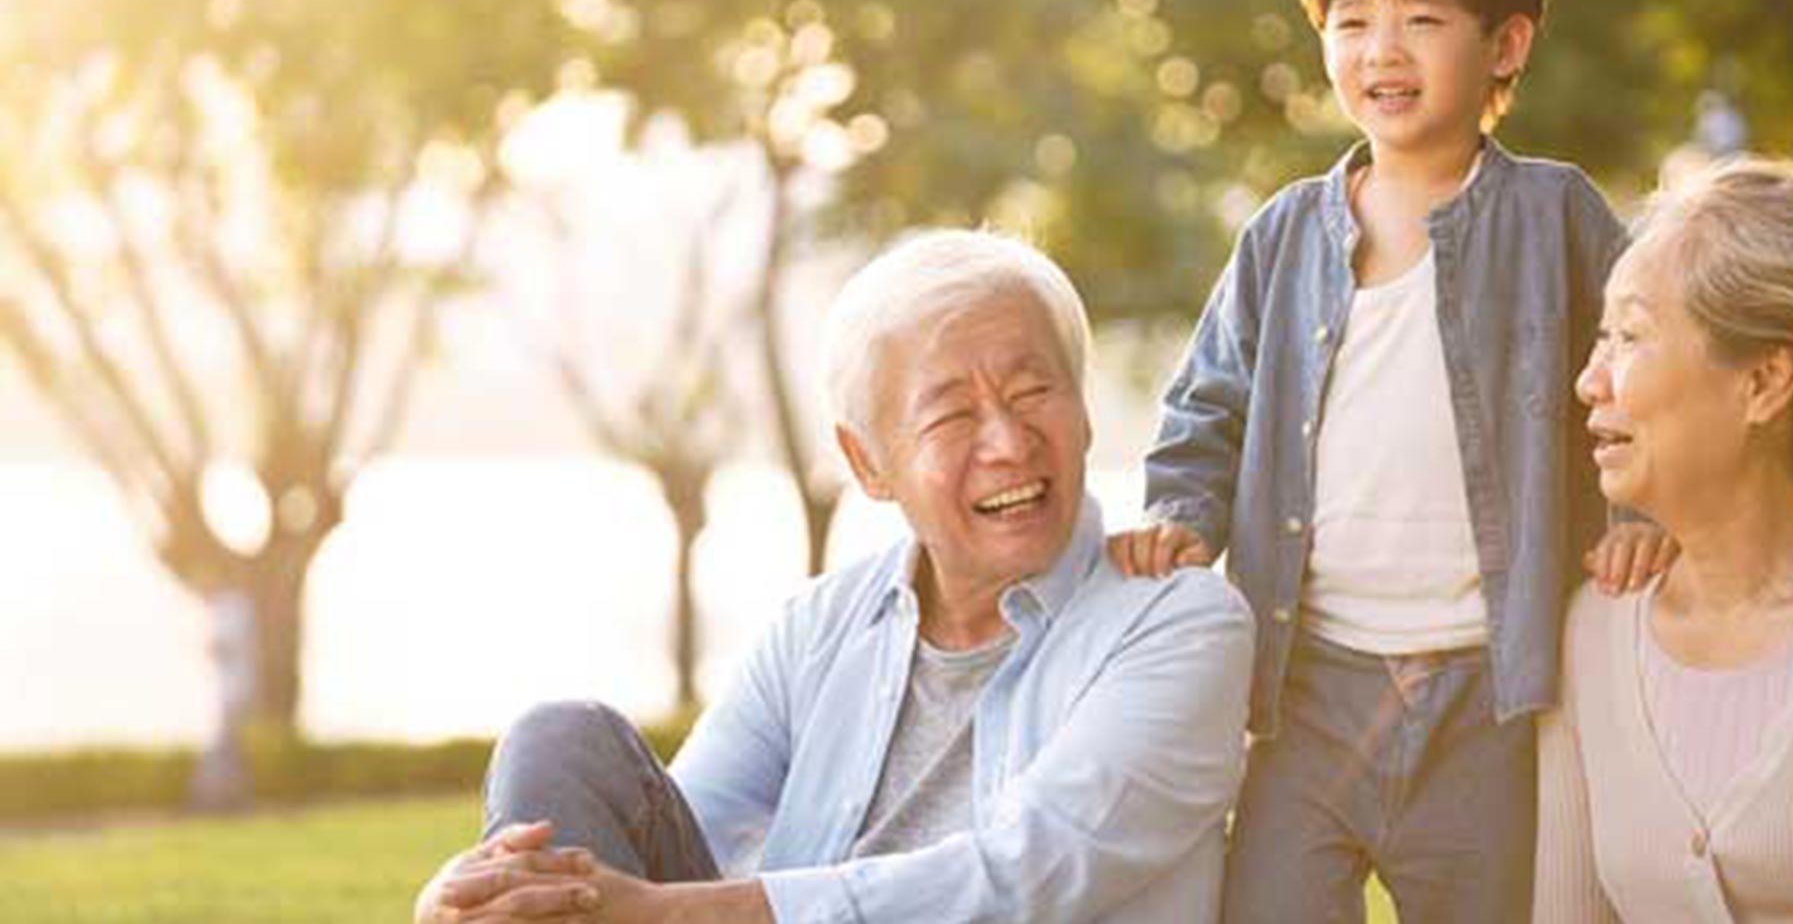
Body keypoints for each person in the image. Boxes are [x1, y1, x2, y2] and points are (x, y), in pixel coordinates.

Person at [1108, 0, 1669, 923]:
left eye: (1423, 18)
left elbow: (1648, 376)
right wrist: (1181, 517)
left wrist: (1640, 515)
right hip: (1308, 688)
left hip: (1492, 695)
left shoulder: (1557, 216)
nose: (1382, 51)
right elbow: (1208, 406)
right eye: (1352, 20)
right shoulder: (1282, 236)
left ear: (1505, 45)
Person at [415, 230, 1256, 923]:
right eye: (954, 414)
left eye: (1035, 392)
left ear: (1082, 412)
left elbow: (1027, 874)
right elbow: (670, 831)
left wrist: (651, 914)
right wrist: (479, 896)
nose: (1007, 441)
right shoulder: (819, 627)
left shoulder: (1181, 623)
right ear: (868, 462)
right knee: (561, 740)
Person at [1534, 157, 1793, 921]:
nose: (1589, 380)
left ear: (1765, 381)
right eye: (1600, 337)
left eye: (1630, 336)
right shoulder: (1594, 629)